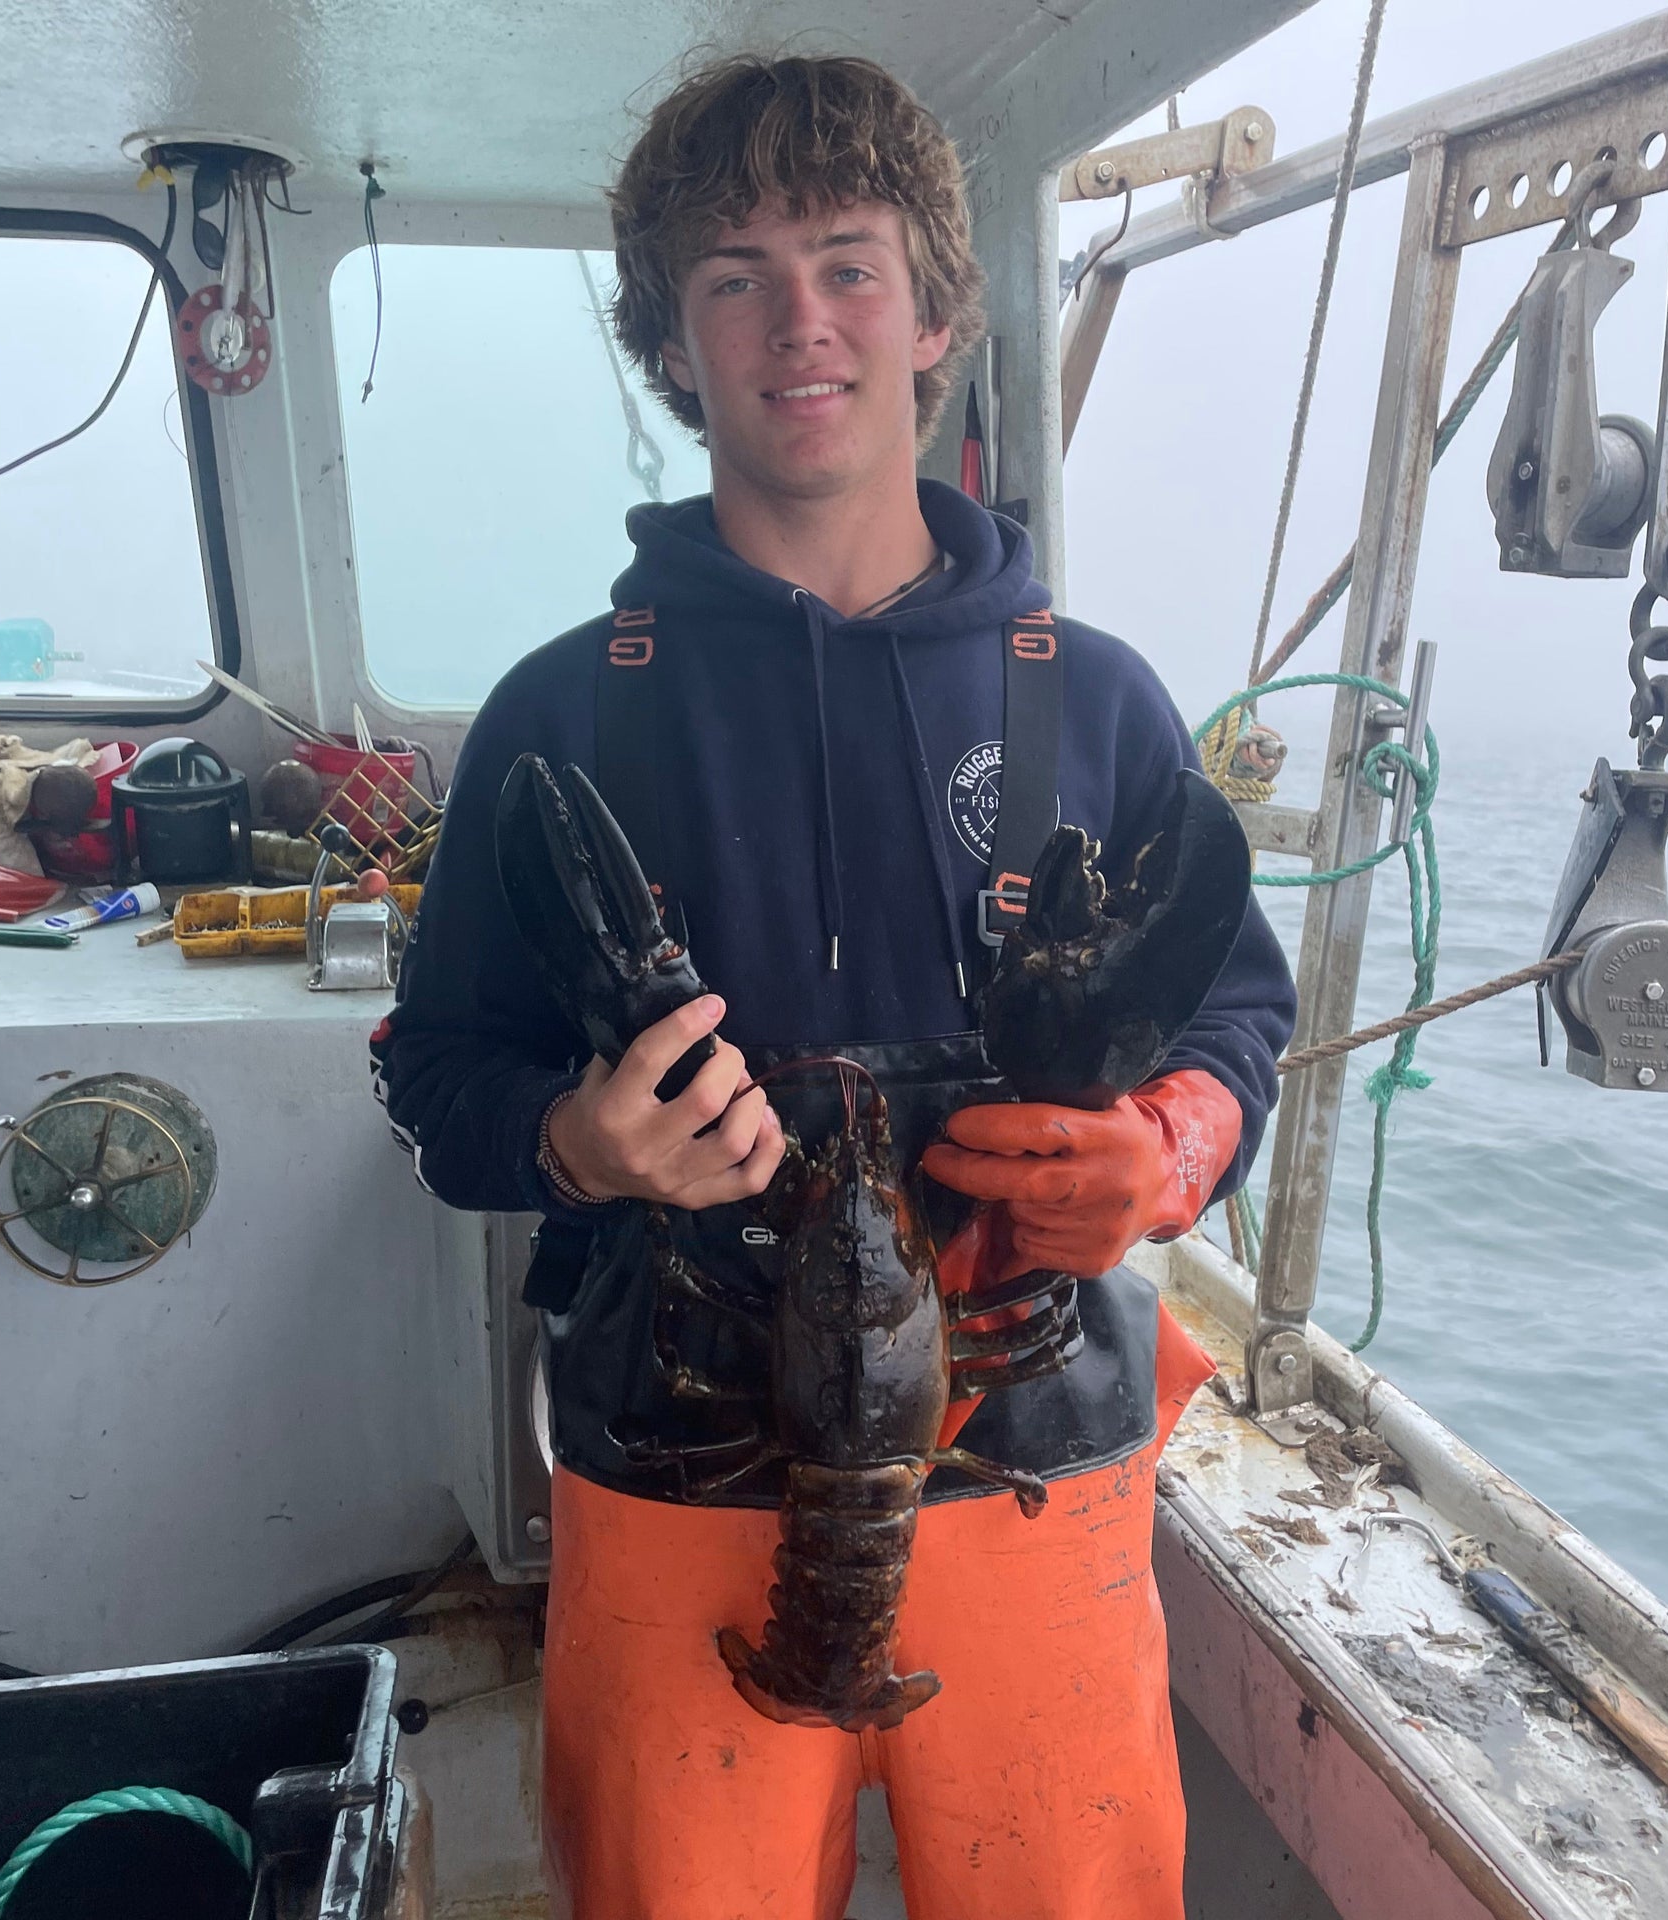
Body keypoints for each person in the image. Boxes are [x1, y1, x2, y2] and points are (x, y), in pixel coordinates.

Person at [374, 52, 1296, 1920]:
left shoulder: (1092, 692)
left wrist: (1170, 1156)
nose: (801, 323)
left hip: (1032, 1480)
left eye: (849, 263)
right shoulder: (562, 713)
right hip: (673, 1481)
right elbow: (435, 1074)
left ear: (937, 310)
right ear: (670, 342)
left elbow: (1235, 1018)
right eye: (735, 276)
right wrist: (577, 1138)